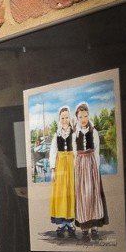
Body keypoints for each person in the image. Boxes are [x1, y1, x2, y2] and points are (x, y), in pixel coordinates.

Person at [73, 102, 108, 240]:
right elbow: (74, 152)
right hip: (81, 165)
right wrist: (76, 168)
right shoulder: (74, 133)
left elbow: (97, 150)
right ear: (77, 117)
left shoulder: (94, 132)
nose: (83, 119)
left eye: (85, 116)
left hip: (92, 165)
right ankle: (85, 229)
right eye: (81, 117)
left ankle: (94, 227)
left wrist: (96, 168)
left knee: (93, 195)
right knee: (83, 196)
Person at [49, 106, 76, 238]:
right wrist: (53, 169)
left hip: (71, 164)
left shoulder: (74, 133)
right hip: (60, 164)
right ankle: (61, 222)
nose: (64, 120)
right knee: (60, 193)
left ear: (69, 118)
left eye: (66, 117)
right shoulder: (57, 134)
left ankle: (70, 222)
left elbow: (77, 150)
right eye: (62, 118)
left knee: (70, 192)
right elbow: (53, 152)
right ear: (59, 119)